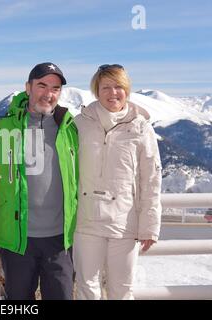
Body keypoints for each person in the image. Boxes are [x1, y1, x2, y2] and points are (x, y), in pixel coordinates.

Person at [0, 62, 79, 300]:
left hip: (60, 240)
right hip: (18, 238)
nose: (48, 93)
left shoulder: (69, 129)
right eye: (42, 85)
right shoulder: (3, 127)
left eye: (55, 88)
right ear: (28, 87)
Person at [73, 64, 162, 300]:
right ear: (96, 90)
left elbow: (151, 179)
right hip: (86, 220)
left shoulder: (141, 127)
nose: (113, 93)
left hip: (124, 222)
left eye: (119, 87)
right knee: (85, 287)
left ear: (127, 90)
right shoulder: (80, 124)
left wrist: (149, 225)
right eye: (106, 87)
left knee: (121, 290)